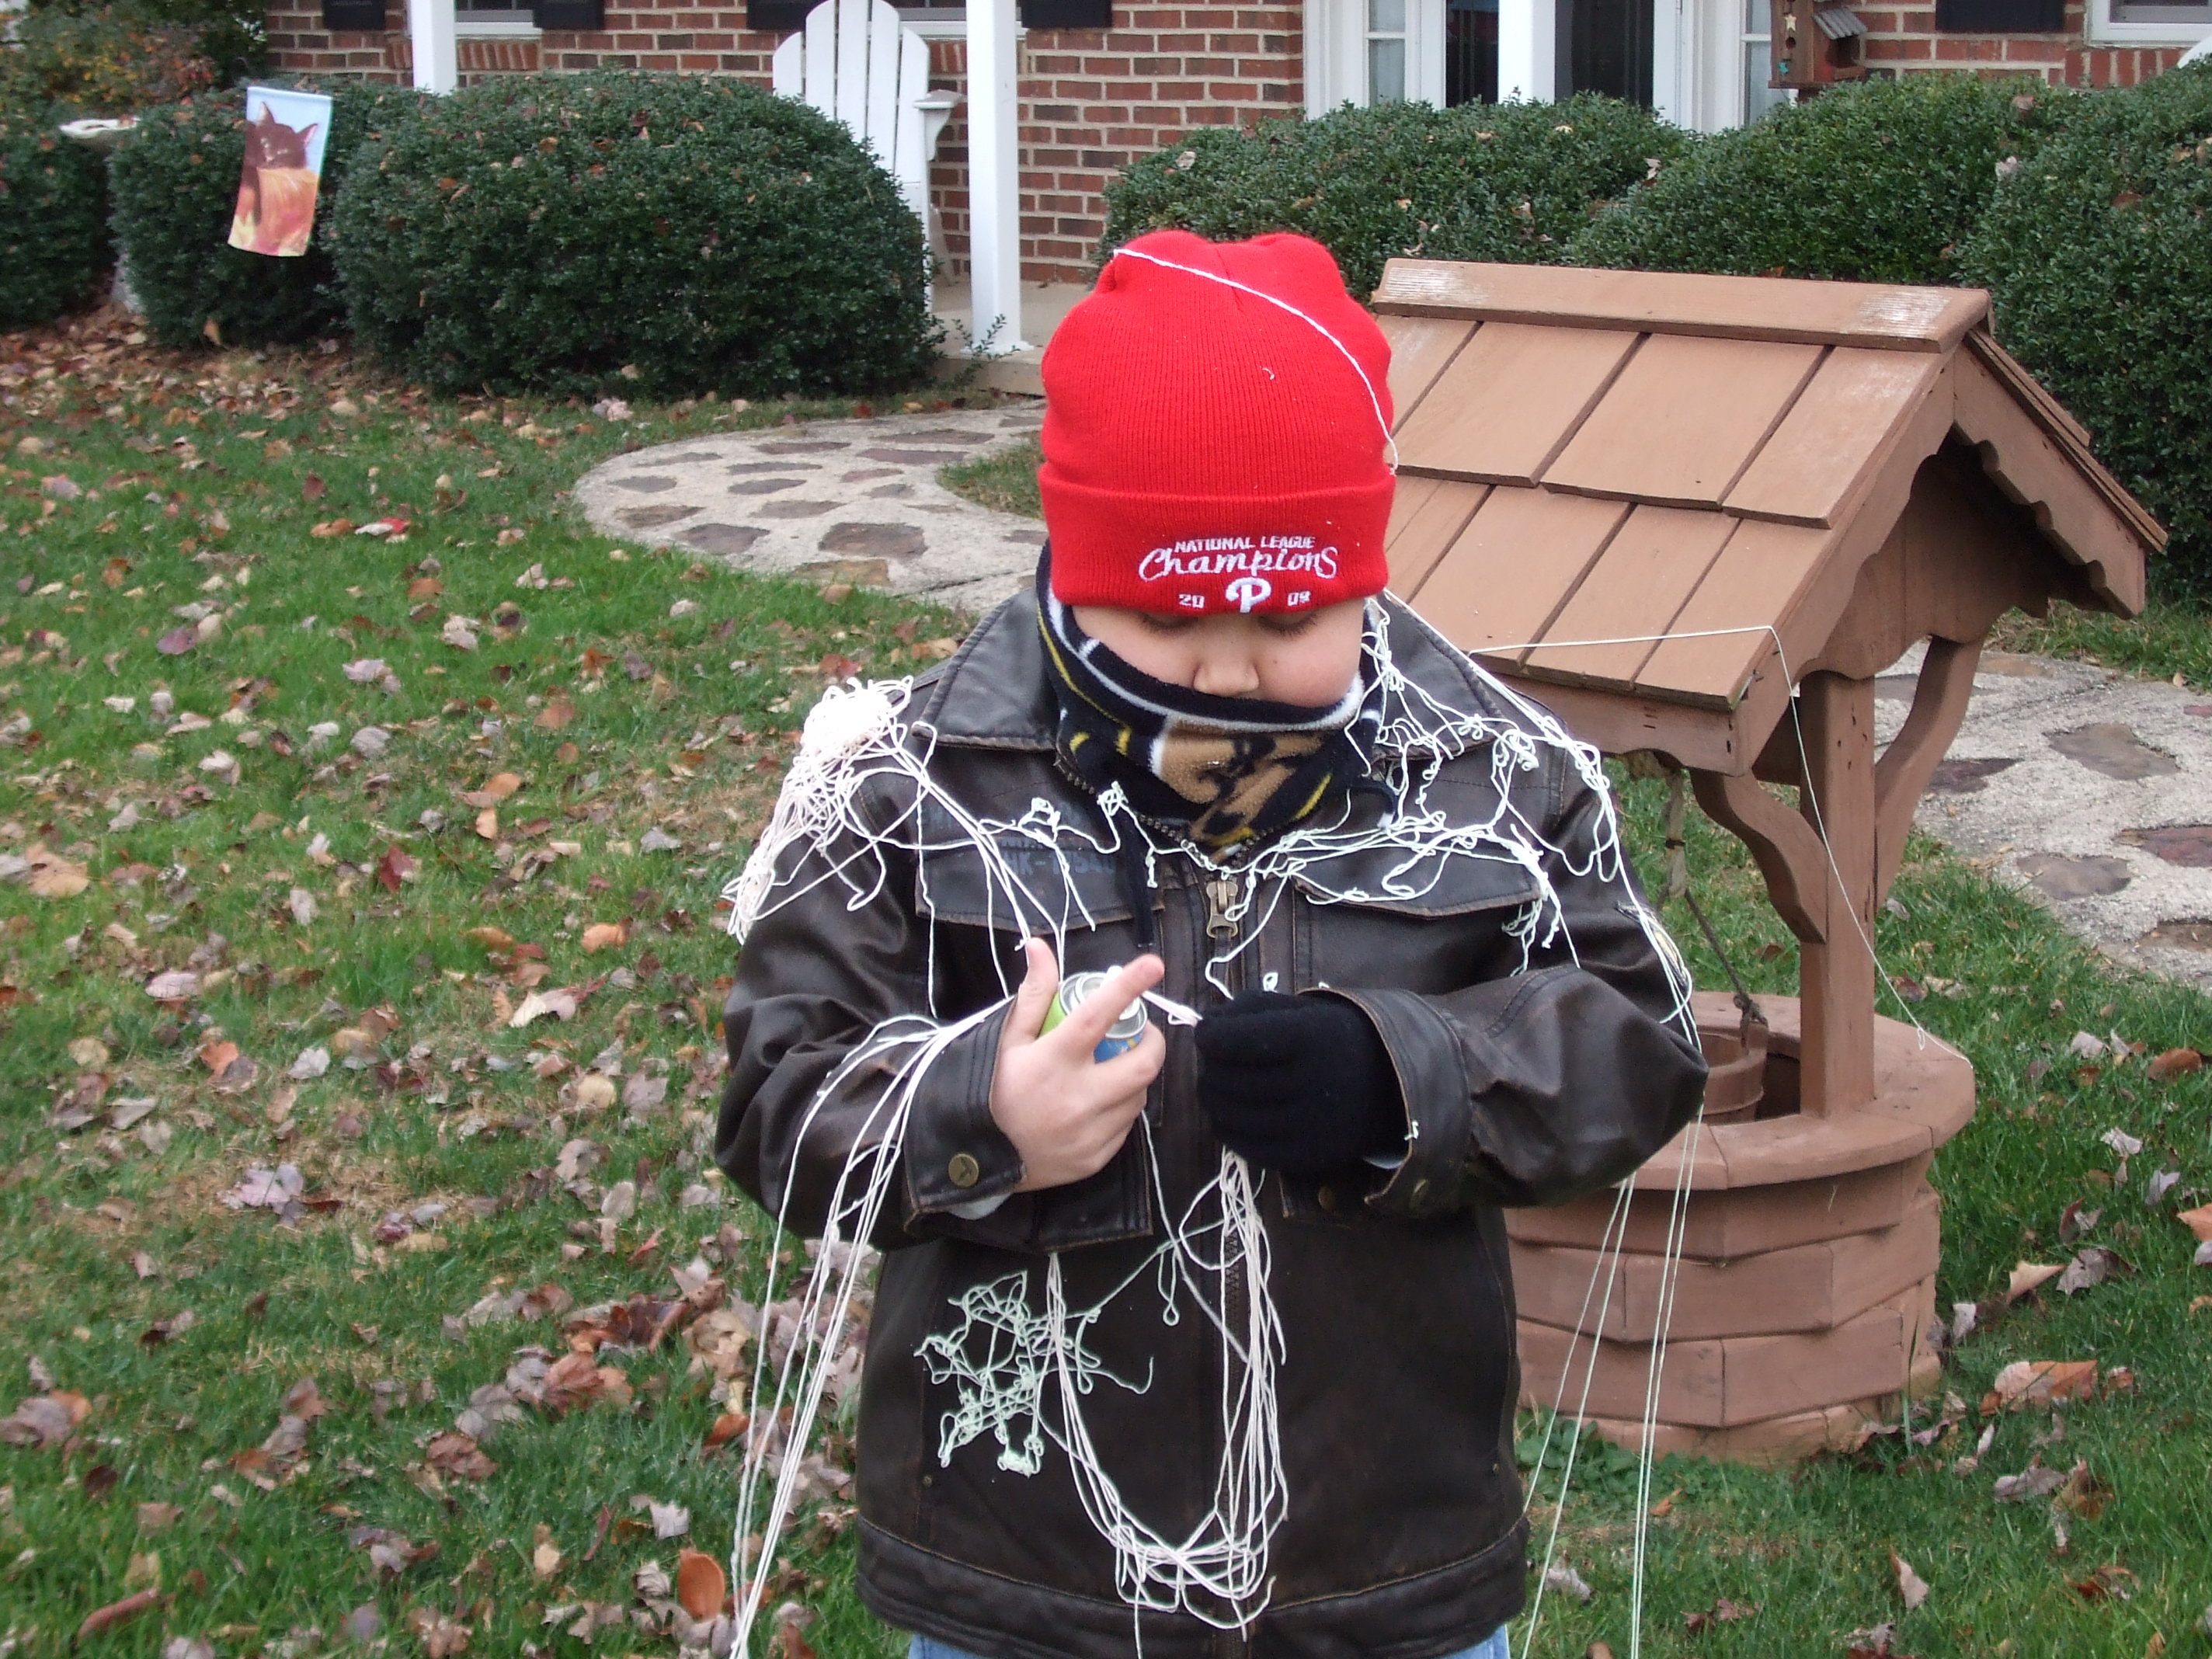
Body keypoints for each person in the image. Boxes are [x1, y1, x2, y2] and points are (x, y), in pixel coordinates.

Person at [718, 228, 1709, 1659]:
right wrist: (979, 1117)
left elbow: (1643, 1033)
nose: (1234, 665)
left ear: (1364, 579)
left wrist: (1407, 1075)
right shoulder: (915, 778)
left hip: (1381, 1565)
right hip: (1030, 1573)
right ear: (1078, 561)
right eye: (1172, 614)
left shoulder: (1486, 770)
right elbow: (775, 1092)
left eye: (1296, 614)